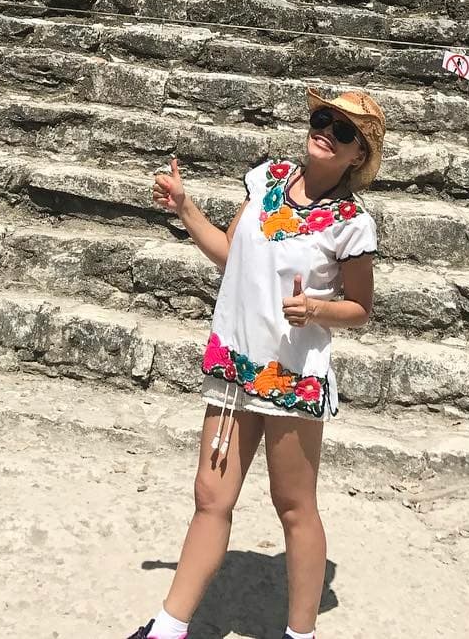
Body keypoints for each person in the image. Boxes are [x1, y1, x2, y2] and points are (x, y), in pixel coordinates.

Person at [126, 86, 385, 639]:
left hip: (291, 375)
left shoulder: (350, 223)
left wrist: (317, 308)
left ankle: (300, 635)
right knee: (210, 498)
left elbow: (361, 308)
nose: (326, 132)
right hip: (236, 365)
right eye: (322, 119)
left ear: (358, 155)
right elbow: (230, 252)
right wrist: (186, 208)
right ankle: (168, 629)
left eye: (344, 131)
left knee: (293, 507)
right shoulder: (265, 179)